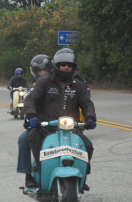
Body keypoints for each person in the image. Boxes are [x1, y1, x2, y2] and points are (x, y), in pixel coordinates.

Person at [23, 48, 97, 190]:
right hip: (45, 127)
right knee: (33, 137)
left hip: (70, 129)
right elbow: (31, 99)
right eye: (63, 64)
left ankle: (82, 176)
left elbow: (87, 104)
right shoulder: (43, 82)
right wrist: (32, 116)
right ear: (56, 65)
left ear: (74, 68)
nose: (66, 67)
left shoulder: (78, 86)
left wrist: (90, 118)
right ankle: (41, 172)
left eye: (70, 65)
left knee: (87, 146)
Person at [17, 54, 53, 186]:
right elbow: (28, 105)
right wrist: (30, 120)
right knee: (23, 140)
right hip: (39, 125)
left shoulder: (58, 85)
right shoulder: (32, 89)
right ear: (34, 72)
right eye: (39, 71)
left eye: (45, 70)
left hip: (58, 125)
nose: (43, 73)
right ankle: (28, 175)